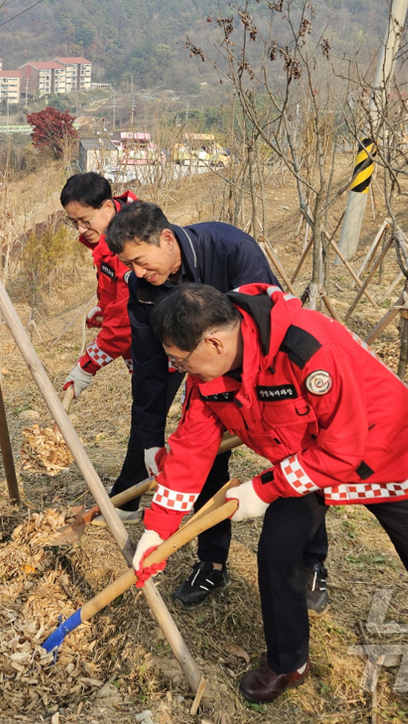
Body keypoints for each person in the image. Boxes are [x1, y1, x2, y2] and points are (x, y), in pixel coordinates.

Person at [132, 283, 408, 724]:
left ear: (214, 342)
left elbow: (344, 449)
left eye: (179, 358)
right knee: (278, 549)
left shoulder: (306, 350)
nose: (178, 368)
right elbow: (192, 449)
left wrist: (264, 490)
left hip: (385, 454)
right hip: (306, 462)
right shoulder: (207, 377)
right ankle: (288, 662)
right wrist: (159, 527)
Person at [105, 200, 329, 610]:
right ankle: (211, 562)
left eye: (140, 260)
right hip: (206, 384)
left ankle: (312, 562)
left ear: (167, 238)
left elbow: (264, 325)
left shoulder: (230, 248)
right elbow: (150, 367)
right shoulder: (143, 290)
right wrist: (151, 439)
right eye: (128, 265)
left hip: (267, 380)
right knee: (203, 465)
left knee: (297, 457)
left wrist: (253, 403)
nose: (137, 273)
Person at [58, 172, 137, 399]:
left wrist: (87, 366)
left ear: (109, 208)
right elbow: (116, 292)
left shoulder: (130, 243)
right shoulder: (108, 239)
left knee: (148, 415)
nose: (81, 230)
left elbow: (126, 320)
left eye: (85, 221)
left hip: (164, 346)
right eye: (74, 223)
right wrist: (104, 309)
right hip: (143, 345)